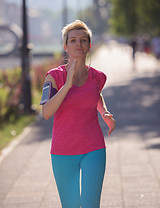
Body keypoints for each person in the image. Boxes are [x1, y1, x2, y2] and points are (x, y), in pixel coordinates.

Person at [40, 20, 115, 208]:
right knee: (71, 205)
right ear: (65, 46)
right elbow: (46, 112)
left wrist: (104, 111)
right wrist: (68, 84)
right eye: (73, 40)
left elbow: (95, 93)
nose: (78, 44)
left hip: (94, 148)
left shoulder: (98, 76)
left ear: (89, 46)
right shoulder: (54, 77)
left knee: (91, 204)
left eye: (83, 40)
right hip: (63, 150)